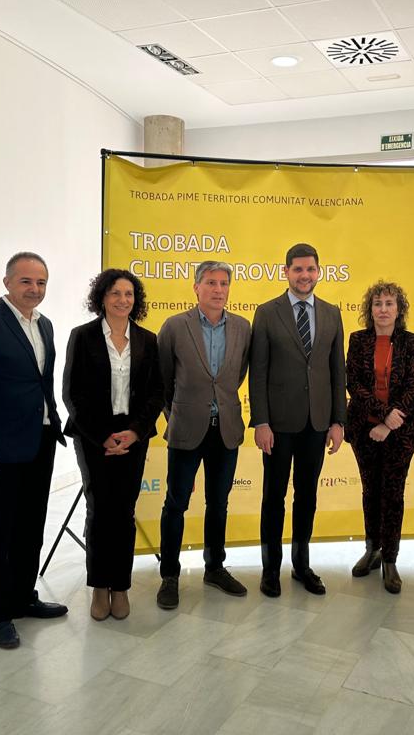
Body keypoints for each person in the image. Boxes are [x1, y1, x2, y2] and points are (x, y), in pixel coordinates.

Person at [0, 251, 68, 650]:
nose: (34, 289)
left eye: (41, 282)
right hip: (0, 448)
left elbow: (42, 381)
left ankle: (23, 597)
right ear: (7, 283)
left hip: (40, 440)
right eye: (26, 281)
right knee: (0, 529)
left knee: (32, 525)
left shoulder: (45, 325)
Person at [63, 269, 163, 621]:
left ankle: (120, 587)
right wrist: (103, 435)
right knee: (99, 511)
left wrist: (135, 432)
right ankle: (99, 586)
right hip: (94, 437)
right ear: (102, 298)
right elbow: (73, 394)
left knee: (124, 512)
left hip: (133, 436)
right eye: (116, 293)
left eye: (129, 294)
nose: (123, 300)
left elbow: (156, 394)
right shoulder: (82, 336)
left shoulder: (148, 340)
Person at [250, 243, 346, 598]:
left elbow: (337, 371)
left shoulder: (332, 313)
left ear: (318, 272)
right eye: (298, 269)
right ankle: (270, 570)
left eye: (310, 269)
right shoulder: (266, 312)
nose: (304, 275)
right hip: (277, 425)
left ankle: (301, 566)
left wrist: (338, 421)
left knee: (307, 496)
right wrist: (260, 421)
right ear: (286, 272)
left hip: (317, 423)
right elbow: (258, 372)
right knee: (273, 497)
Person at [155, 261, 251, 609]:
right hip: (186, 427)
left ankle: (215, 568)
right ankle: (169, 575)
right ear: (196, 287)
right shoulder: (174, 326)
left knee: (219, 502)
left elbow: (236, 375)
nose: (218, 289)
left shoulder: (242, 327)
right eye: (211, 282)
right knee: (176, 503)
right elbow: (163, 379)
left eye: (224, 283)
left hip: (225, 428)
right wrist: (177, 413)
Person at [344, 281, 414, 594]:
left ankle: (390, 560)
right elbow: (354, 383)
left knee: (393, 495)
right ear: (370, 309)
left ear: (399, 309)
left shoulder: (411, 341)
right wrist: (381, 414)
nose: (383, 309)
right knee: (370, 491)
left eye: (389, 303)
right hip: (364, 429)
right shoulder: (358, 339)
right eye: (377, 304)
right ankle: (372, 550)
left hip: (401, 432)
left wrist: (390, 422)